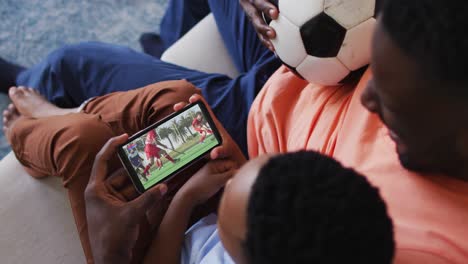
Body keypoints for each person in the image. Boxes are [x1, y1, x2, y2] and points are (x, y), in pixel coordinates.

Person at [244, 0, 468, 262]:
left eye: (389, 102)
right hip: (287, 50)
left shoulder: (414, 244)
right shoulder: (418, 51)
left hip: (252, 123)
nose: (366, 99)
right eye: (374, 77)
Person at [0, 0, 282, 156]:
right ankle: (162, 57)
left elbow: (143, 162)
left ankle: (29, 86)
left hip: (261, 116)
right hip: (290, 73)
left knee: (69, 66)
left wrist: (76, 115)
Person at [85, 135, 395, 264]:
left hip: (156, 245)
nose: (230, 181)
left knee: (78, 139)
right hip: (183, 216)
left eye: (225, 210)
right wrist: (192, 195)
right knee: (176, 96)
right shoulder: (338, 233)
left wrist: (185, 199)